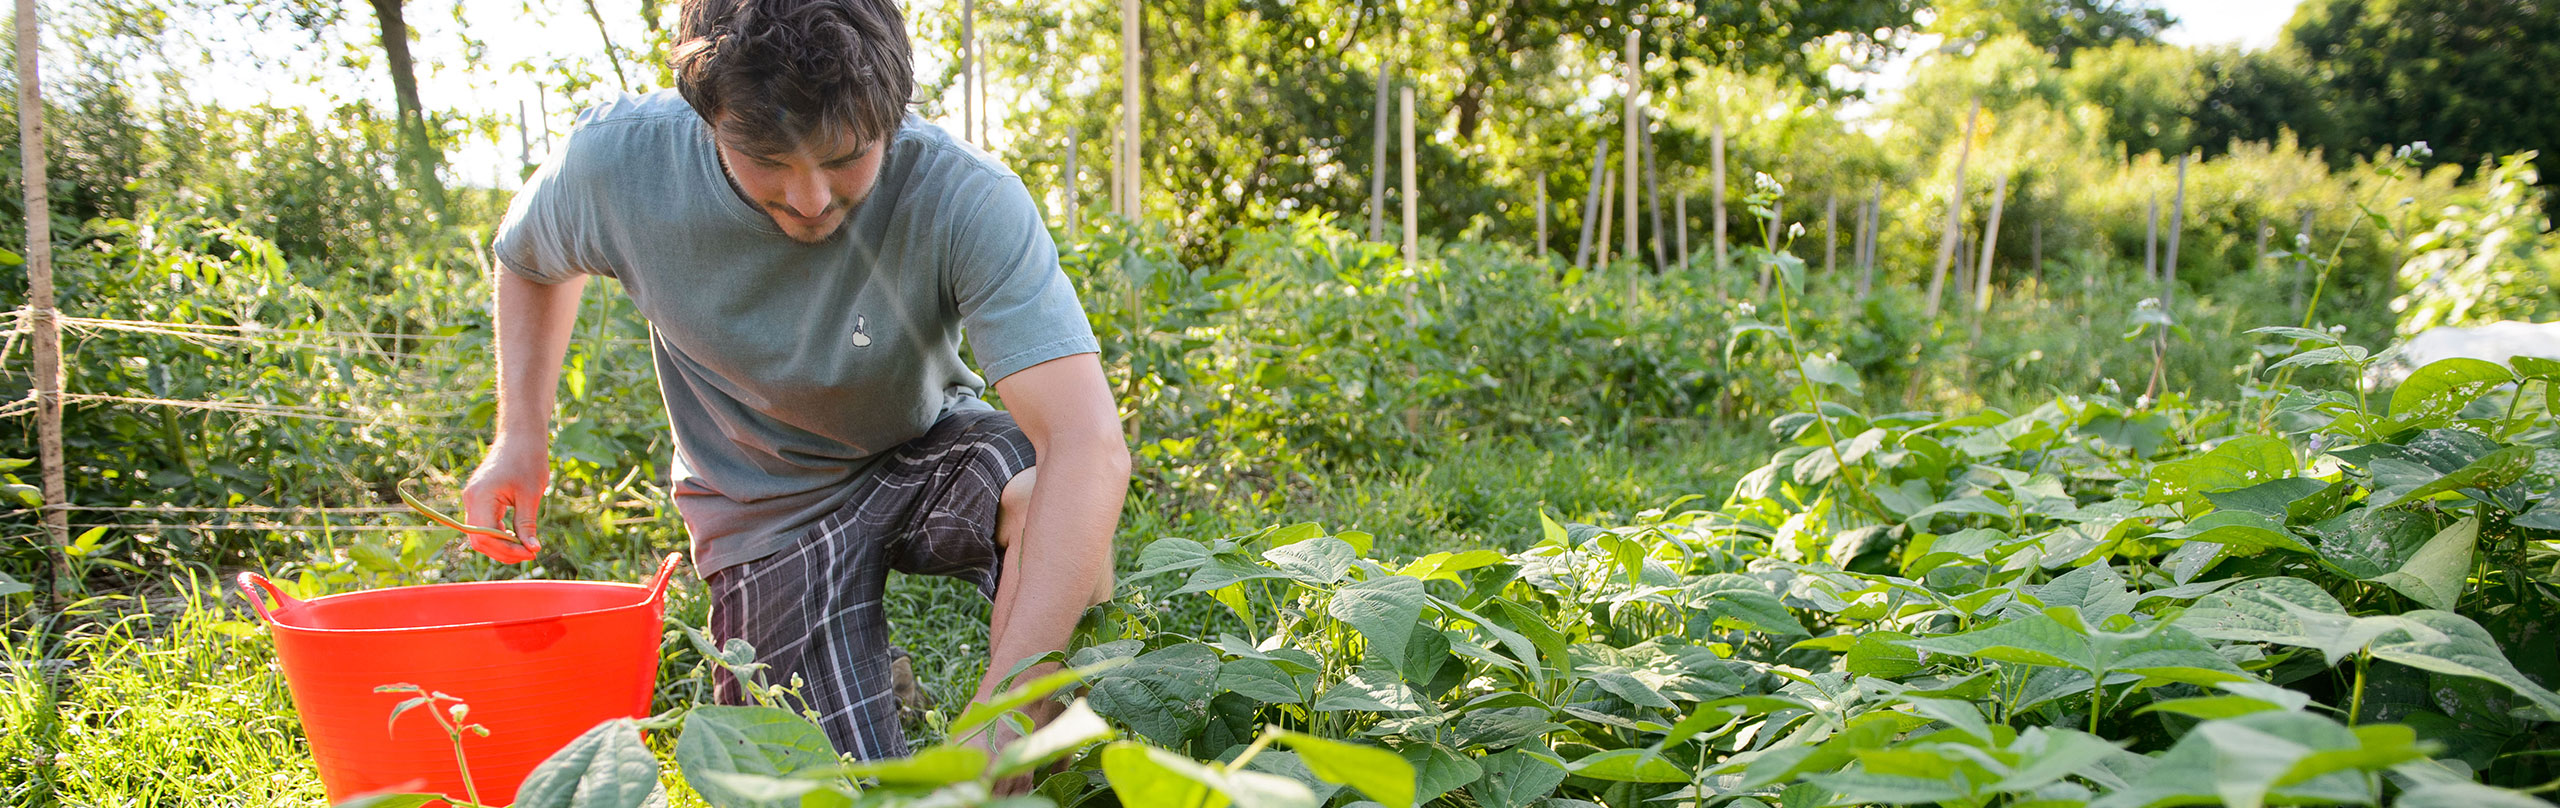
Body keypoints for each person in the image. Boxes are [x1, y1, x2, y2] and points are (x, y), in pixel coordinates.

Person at [459, 0, 1128, 772]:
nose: (810, 199)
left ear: (892, 115)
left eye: (845, 156)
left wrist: (1006, 710)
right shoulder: (617, 164)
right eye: (769, 160)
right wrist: (520, 436)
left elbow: (1087, 445)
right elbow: (531, 259)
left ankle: (1043, 766)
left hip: (919, 451)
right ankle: (859, 662)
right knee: (817, 784)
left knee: (1051, 492)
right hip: (761, 511)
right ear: (710, 118)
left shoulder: (964, 195)